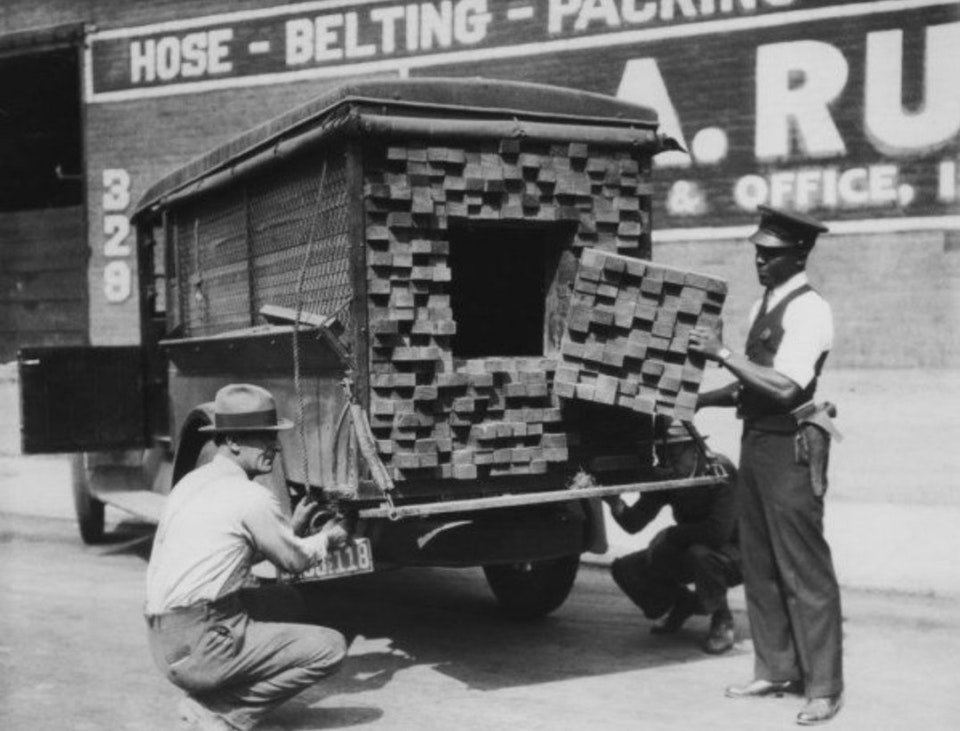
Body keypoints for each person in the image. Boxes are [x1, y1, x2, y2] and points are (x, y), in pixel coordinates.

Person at [689, 206, 843, 726]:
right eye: (758, 251)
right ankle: (776, 667)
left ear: (798, 254)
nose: (760, 260)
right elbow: (750, 381)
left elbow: (786, 386)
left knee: (804, 568)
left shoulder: (810, 310)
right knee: (759, 563)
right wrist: (701, 400)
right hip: (756, 441)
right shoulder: (764, 304)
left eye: (772, 254)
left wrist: (724, 351)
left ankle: (823, 686)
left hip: (790, 447)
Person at [145, 383, 350, 731]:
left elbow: (226, 554)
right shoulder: (249, 496)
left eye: (273, 436)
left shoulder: (191, 484)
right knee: (330, 648)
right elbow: (295, 563)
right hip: (200, 642)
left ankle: (214, 690)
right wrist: (327, 540)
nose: (275, 447)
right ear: (235, 441)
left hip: (163, 639)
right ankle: (221, 713)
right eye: (264, 437)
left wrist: (291, 530)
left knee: (286, 600)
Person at [606, 419, 741, 655]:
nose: (666, 461)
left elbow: (717, 533)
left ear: (694, 449)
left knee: (700, 554)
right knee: (626, 568)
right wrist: (615, 502)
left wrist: (671, 535)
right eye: (662, 454)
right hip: (693, 547)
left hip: (737, 553)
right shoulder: (671, 477)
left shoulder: (720, 470)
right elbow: (634, 523)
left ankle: (722, 619)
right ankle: (683, 604)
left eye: (674, 454)